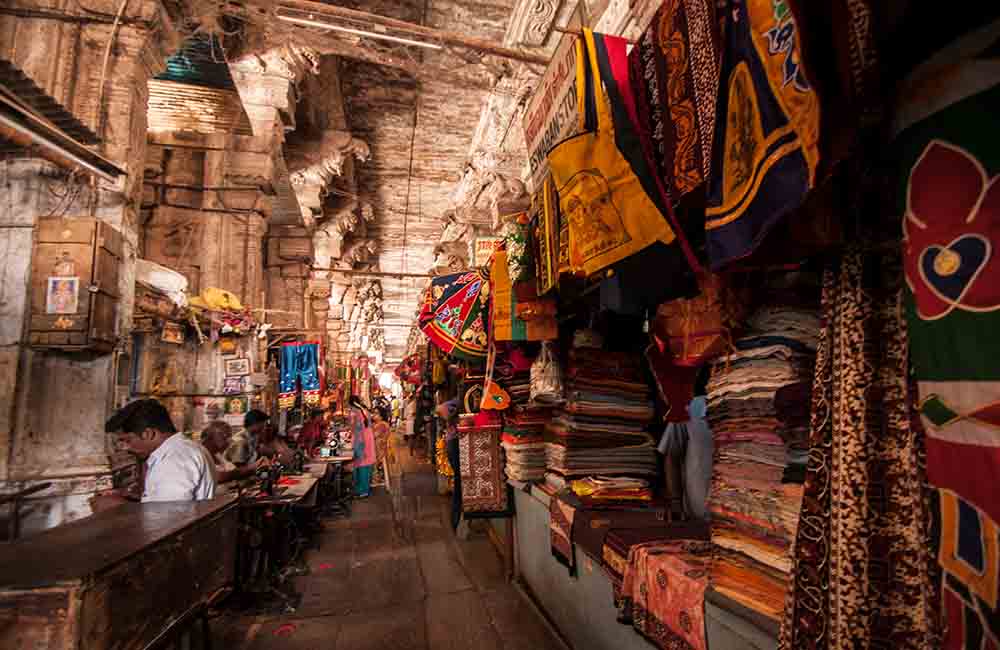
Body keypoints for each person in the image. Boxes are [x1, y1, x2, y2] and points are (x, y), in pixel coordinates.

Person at [105, 399, 215, 503]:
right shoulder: (185, 448)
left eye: (127, 440)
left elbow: (166, 517)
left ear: (148, 434)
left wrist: (115, 506)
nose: (126, 448)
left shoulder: (173, 460)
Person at [437, 399, 462, 530]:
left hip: (453, 443)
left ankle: (455, 518)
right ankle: (455, 518)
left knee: (459, 480)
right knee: (459, 480)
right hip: (455, 443)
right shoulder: (459, 400)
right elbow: (441, 408)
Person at [349, 396, 376, 498]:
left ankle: (362, 491)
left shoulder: (356, 413)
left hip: (362, 440)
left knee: (362, 465)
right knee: (364, 465)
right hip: (366, 439)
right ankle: (363, 489)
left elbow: (356, 428)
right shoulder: (363, 411)